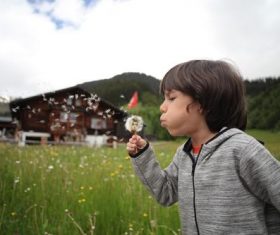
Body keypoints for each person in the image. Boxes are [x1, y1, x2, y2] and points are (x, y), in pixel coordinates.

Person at [126, 60, 280, 235]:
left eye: (171, 98)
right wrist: (142, 155)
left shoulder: (242, 150)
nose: (162, 106)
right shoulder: (184, 154)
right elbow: (165, 192)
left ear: (202, 103)